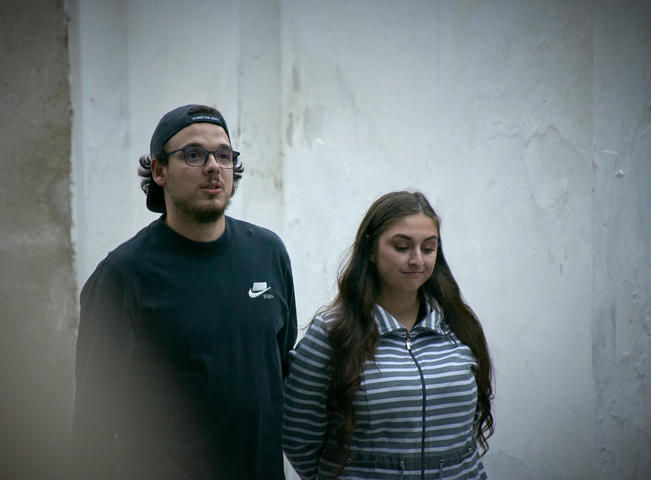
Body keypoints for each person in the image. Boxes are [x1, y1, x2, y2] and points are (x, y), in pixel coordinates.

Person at [70, 104, 297, 480]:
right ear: (159, 171)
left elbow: (281, 367)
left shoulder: (268, 253)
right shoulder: (122, 277)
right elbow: (93, 424)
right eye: (194, 154)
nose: (213, 167)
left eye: (224, 155)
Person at [283, 191, 493, 479]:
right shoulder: (331, 333)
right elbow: (298, 435)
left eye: (428, 248)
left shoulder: (458, 325)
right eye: (402, 247)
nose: (417, 260)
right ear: (371, 250)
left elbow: (468, 426)